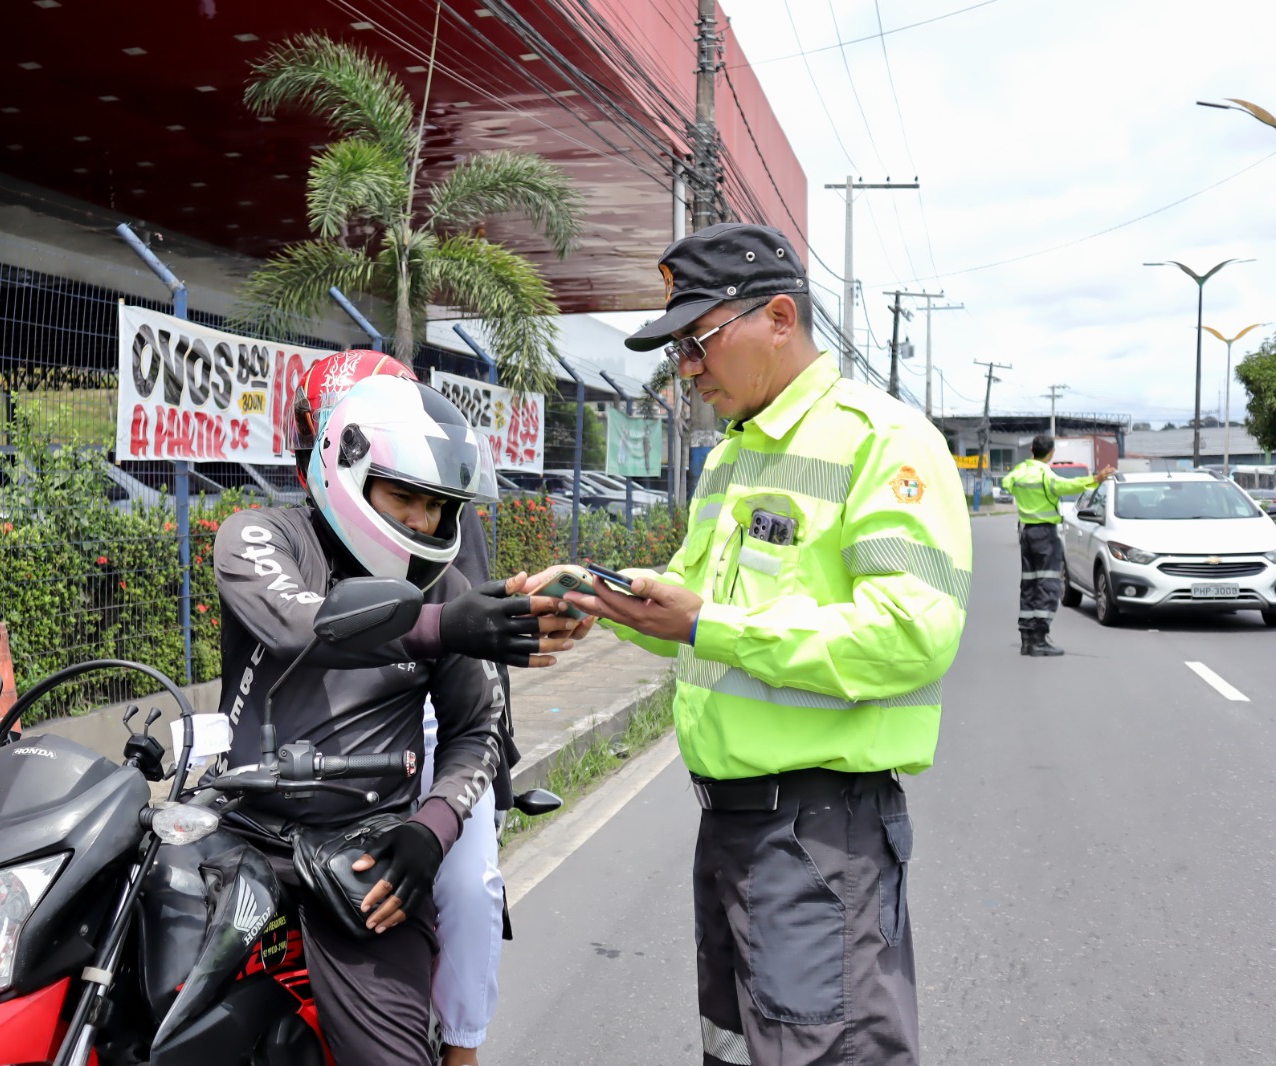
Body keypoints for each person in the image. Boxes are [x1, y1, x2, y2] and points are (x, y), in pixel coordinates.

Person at [528, 222, 972, 1066]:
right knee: (735, 1051)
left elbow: (913, 634)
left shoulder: (883, 440)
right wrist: (599, 594)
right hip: (733, 832)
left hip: (818, 837)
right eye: (679, 352)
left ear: (777, 316)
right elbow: (693, 603)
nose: (686, 372)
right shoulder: (729, 461)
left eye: (697, 343)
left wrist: (705, 622)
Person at [214, 375, 573, 1066]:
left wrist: (430, 832)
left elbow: (476, 732)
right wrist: (440, 626)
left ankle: (461, 1044)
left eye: (437, 506)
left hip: (368, 858)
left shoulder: (447, 586)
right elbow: (298, 625)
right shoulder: (261, 536)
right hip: (240, 833)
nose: (420, 521)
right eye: (402, 496)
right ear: (348, 473)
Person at [290, 350, 545, 1066]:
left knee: (467, 888)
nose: (418, 511)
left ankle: (462, 1049)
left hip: (432, 743)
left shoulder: (440, 539)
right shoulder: (281, 533)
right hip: (323, 756)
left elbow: (478, 672)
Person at [999, 435, 1113, 656]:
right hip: (1045, 535)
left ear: (1031, 449)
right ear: (1051, 453)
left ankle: (1027, 639)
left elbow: (1006, 483)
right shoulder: (1044, 474)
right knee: (1048, 584)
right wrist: (1095, 479)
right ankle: (1039, 639)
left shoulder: (1020, 471)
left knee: (1029, 584)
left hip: (1026, 533)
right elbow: (1065, 486)